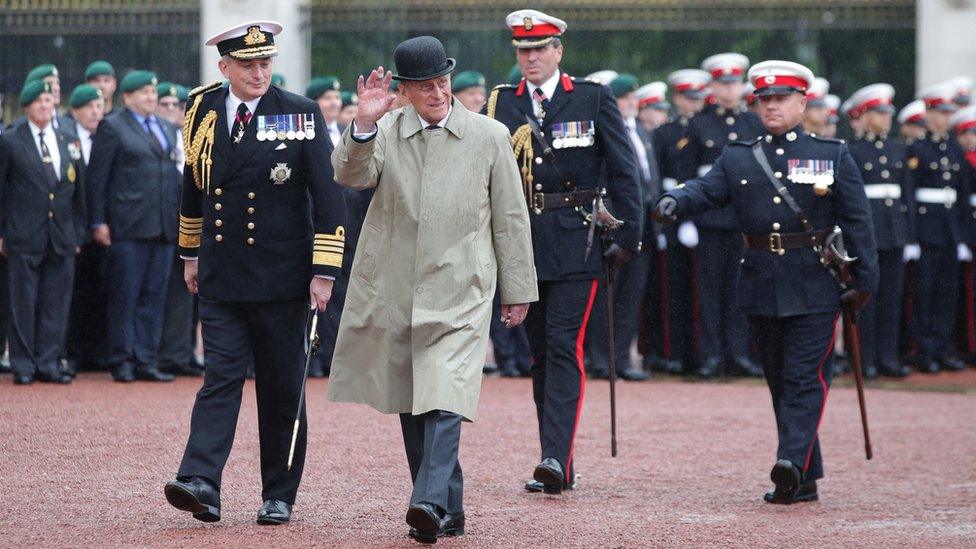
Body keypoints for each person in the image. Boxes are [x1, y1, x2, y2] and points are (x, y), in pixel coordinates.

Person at [327, 36, 537, 543]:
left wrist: (518, 287)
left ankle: (425, 500)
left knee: (445, 396)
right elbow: (350, 175)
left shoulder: (489, 135)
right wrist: (363, 124)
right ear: (404, 91)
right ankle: (448, 509)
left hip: (463, 287)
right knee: (413, 399)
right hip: (398, 288)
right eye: (425, 86)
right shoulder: (387, 129)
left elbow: (510, 217)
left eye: (442, 82)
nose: (439, 93)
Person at [653, 60, 878, 504]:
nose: (772, 106)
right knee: (778, 377)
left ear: (802, 102)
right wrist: (674, 200)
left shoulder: (832, 154)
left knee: (803, 377)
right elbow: (706, 189)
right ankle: (806, 473)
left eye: (781, 99)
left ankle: (790, 462)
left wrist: (864, 281)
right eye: (766, 99)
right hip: (759, 279)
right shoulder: (739, 156)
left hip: (814, 281)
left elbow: (859, 222)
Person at [164, 20, 347, 526]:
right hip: (222, 273)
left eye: (265, 62)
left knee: (281, 387)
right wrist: (190, 253)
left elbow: (327, 197)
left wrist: (325, 270)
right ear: (224, 68)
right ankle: (201, 480)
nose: (259, 71)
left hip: (282, 277)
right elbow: (194, 184)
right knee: (219, 376)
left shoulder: (300, 113)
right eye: (247, 64)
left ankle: (278, 492)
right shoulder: (201, 108)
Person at [485, 9, 642, 494]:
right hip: (521, 242)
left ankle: (554, 455)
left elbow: (623, 170)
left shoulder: (593, 98)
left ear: (558, 52)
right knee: (539, 355)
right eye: (523, 50)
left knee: (562, 345)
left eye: (539, 49)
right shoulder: (501, 102)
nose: (530, 58)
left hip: (578, 240)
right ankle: (557, 458)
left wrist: (627, 235)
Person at [86, 70, 180, 383]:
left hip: (163, 227)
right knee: (125, 297)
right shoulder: (112, 126)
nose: (151, 98)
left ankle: (146, 359)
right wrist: (98, 221)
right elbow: (97, 180)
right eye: (143, 93)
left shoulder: (166, 127)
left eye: (152, 92)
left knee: (154, 298)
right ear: (127, 97)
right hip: (127, 227)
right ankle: (122, 360)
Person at [680, 52, 763, 379]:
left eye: (734, 83)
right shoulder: (699, 124)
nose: (729, 90)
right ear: (713, 85)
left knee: (740, 291)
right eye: (723, 83)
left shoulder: (753, 123)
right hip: (710, 220)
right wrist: (687, 218)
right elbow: (688, 177)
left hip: (745, 221)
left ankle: (739, 354)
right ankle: (711, 354)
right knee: (710, 293)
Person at [0, 79, 86, 385]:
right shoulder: (11, 140)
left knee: (55, 303)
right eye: (38, 102)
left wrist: (78, 231)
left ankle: (48, 362)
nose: (45, 107)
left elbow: (79, 191)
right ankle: (23, 365)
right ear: (26, 107)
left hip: (61, 235)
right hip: (24, 234)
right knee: (23, 302)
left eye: (48, 101)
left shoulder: (67, 139)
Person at [586, 73, 657, 382]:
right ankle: (601, 359)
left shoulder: (640, 131)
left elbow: (649, 177)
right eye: (626, 98)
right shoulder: (603, 132)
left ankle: (622, 358)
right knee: (607, 297)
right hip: (612, 222)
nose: (632, 103)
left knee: (630, 296)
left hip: (642, 224)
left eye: (632, 97)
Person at [845, 84, 914, 379]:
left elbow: (906, 196)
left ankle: (888, 356)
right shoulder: (852, 150)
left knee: (891, 298)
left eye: (887, 113)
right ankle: (867, 358)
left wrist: (910, 236)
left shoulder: (898, 148)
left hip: (895, 232)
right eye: (879, 113)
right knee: (867, 299)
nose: (886, 118)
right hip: (868, 234)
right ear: (865, 114)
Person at [648, 68, 710, 376]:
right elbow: (659, 178)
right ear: (678, 98)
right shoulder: (665, 133)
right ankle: (673, 352)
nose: (694, 104)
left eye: (698, 97)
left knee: (701, 290)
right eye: (688, 98)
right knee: (673, 290)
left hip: (702, 214)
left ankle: (698, 352)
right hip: (673, 214)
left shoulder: (705, 129)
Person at [908, 82, 970, 373]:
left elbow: (961, 196)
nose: (945, 118)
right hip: (927, 230)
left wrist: (963, 237)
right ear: (929, 114)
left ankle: (944, 348)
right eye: (940, 113)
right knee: (925, 293)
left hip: (950, 231)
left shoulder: (955, 150)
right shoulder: (918, 149)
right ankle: (926, 351)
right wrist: (912, 236)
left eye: (948, 113)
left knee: (947, 293)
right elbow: (911, 195)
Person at [156, 81, 200, 377]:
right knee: (164, 292)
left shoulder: (192, 138)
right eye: (167, 105)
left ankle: (183, 351)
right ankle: (166, 353)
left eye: (179, 106)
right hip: (162, 227)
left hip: (193, 230)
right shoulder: (158, 138)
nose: (173, 111)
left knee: (190, 295)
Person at [63, 84, 107, 376]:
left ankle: (94, 351)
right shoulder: (66, 137)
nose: (95, 112)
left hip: (100, 231)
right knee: (72, 295)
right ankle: (72, 352)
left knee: (97, 292)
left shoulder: (104, 137)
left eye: (99, 106)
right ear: (75, 110)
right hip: (72, 231)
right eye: (89, 106)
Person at [306, 76, 342, 150]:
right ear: (313, 102)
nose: (334, 103)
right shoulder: (306, 132)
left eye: (337, 97)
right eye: (327, 98)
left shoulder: (346, 131)